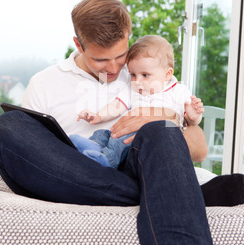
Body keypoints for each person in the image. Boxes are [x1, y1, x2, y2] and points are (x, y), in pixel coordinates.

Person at [0, 0, 244, 245]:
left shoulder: (143, 72)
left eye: (120, 56)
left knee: (161, 128)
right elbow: (33, 158)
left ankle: (162, 191)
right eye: (101, 59)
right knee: (8, 127)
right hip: (73, 167)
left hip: (135, 162)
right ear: (79, 45)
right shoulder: (44, 83)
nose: (114, 69)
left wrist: (166, 116)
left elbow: (200, 149)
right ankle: (177, 194)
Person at [69, 35, 204, 169]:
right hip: (123, 130)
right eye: (133, 74)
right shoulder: (133, 89)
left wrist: (193, 117)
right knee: (104, 133)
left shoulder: (179, 92)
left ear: (167, 74)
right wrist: (98, 116)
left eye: (145, 75)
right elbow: (117, 105)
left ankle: (107, 160)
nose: (137, 81)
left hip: (143, 139)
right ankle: (94, 145)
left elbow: (190, 122)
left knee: (123, 140)